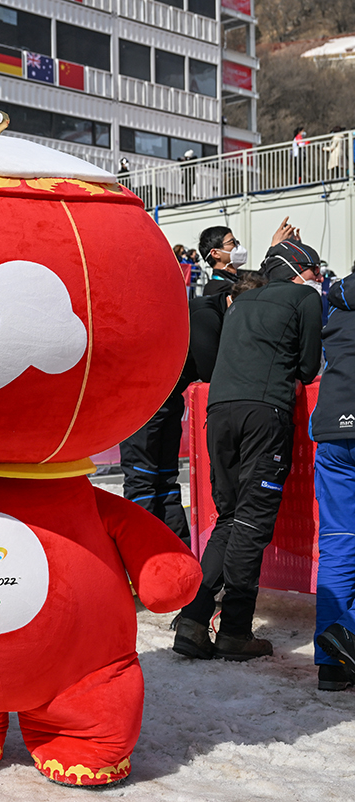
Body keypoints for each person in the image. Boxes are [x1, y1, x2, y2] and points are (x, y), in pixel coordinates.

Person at [174, 238, 323, 662]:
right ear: (300, 269)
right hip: (264, 412)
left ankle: (193, 620)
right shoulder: (303, 298)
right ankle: (236, 631)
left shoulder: (243, 301)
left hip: (218, 412)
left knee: (230, 518)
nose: (316, 280)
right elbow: (310, 367)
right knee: (253, 523)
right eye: (314, 272)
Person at [120, 273, 267, 549]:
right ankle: (142, 558)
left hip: (167, 398)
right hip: (142, 401)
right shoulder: (205, 314)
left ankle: (177, 556)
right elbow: (210, 370)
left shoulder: (222, 313)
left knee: (165, 479)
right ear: (234, 301)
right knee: (142, 481)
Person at [310, 271, 355, 691]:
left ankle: (331, 664)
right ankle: (350, 634)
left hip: (333, 433)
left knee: (339, 543)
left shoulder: (337, 302)